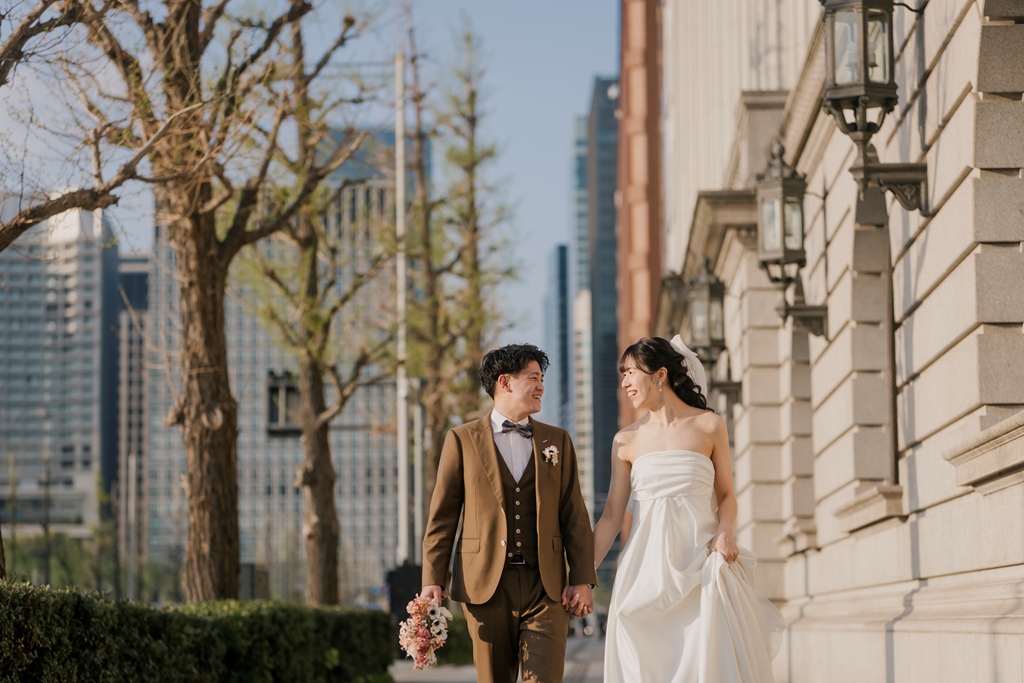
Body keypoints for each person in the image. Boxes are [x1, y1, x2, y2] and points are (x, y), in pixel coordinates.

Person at [591, 336, 785, 682]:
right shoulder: (625, 440)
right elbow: (611, 516)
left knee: (707, 664)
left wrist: (725, 532)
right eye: (623, 375)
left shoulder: (710, 425)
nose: (624, 383)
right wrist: (581, 574)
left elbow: (726, 495)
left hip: (702, 565)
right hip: (644, 572)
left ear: (660, 374)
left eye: (631, 372)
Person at [420, 343, 597, 683]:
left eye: (542, 378)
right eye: (533, 377)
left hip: (546, 585)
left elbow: (573, 512)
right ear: (504, 382)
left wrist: (581, 578)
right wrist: (433, 579)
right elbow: (442, 517)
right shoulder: (461, 439)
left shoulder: (557, 441)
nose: (541, 386)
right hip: (484, 585)